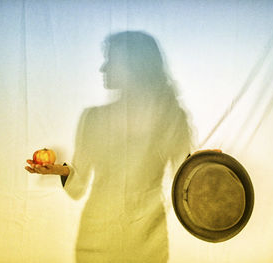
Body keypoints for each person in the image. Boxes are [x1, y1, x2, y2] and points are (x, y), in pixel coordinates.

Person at [25, 31, 194, 263]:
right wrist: (60, 171)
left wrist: (207, 167)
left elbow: (185, 180)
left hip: (148, 240)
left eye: (111, 60)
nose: (102, 69)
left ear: (136, 65)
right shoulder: (92, 118)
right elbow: (79, 186)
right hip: (96, 240)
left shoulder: (172, 118)